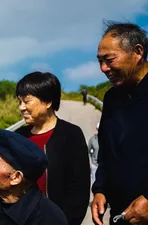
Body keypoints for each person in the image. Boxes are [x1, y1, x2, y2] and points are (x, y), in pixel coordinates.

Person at [15, 71, 90, 225]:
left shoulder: (71, 134)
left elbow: (79, 189)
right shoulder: (19, 136)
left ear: (48, 101)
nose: (22, 108)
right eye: (19, 102)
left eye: (27, 101)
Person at [92, 22, 148, 225]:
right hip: (121, 215)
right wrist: (100, 189)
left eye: (109, 60)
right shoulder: (112, 98)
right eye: (100, 61)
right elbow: (106, 151)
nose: (103, 68)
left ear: (138, 52)